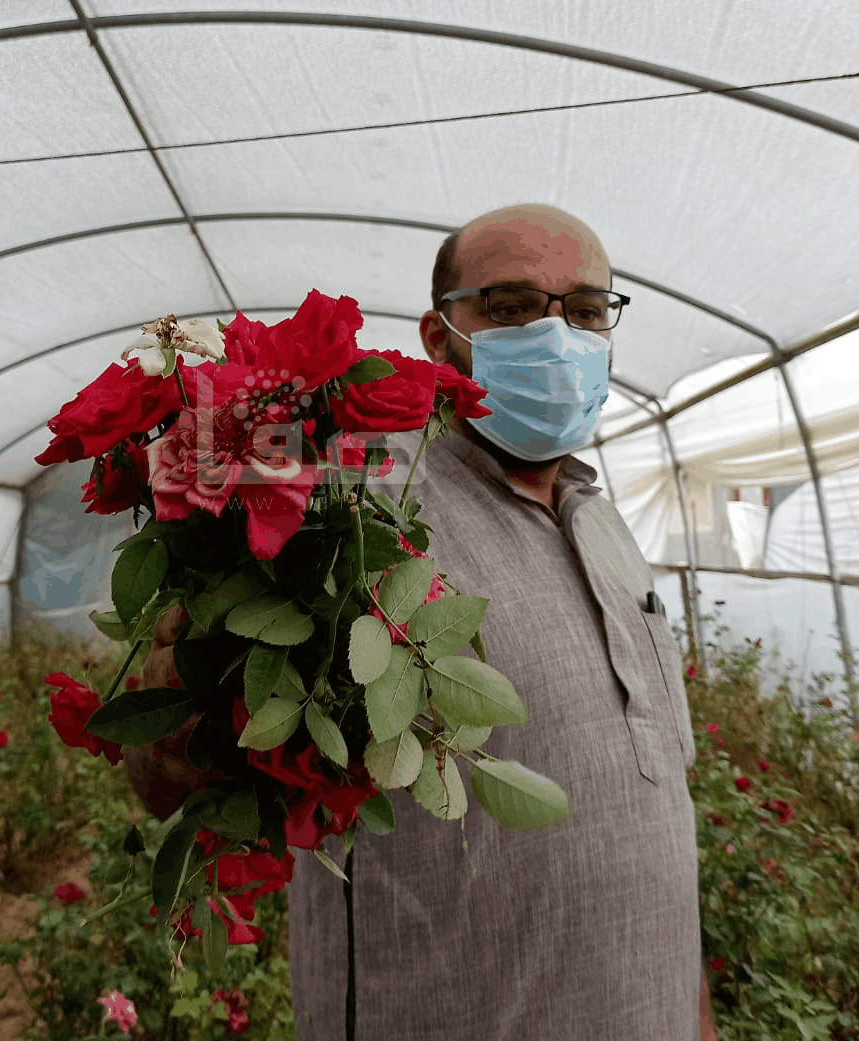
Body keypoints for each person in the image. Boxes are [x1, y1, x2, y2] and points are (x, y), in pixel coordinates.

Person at [129, 204, 719, 1039]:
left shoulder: (602, 518)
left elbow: (659, 811)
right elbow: (166, 764)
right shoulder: (354, 493)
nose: (559, 337)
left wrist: (694, 1013)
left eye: (587, 310)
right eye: (513, 306)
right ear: (439, 337)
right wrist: (190, 696)